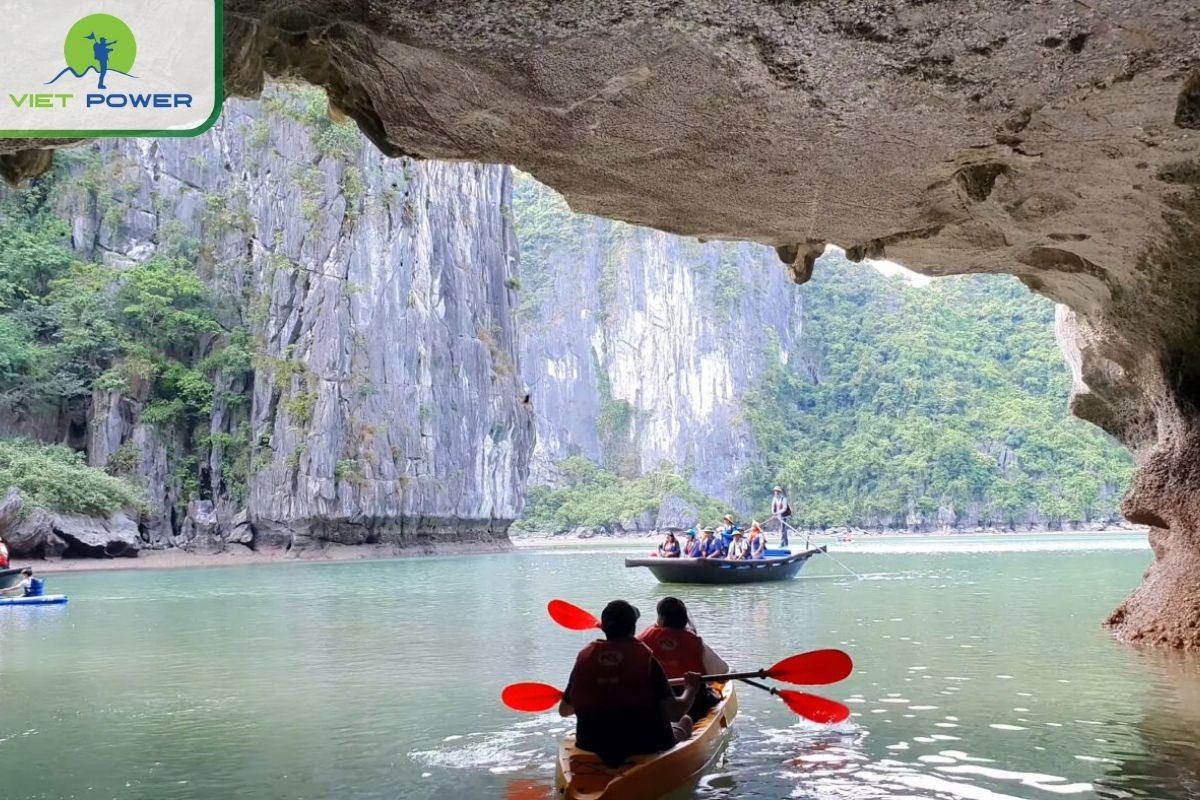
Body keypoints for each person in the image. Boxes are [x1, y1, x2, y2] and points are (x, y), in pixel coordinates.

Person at [559, 600, 703, 766]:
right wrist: (691, 687)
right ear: (632, 629)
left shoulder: (585, 659)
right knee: (684, 720)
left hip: (591, 743)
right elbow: (674, 713)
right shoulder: (645, 660)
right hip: (645, 745)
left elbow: (565, 710)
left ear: (603, 628)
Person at [639, 597, 730, 719]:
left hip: (654, 704)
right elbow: (722, 674)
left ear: (660, 618)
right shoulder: (694, 642)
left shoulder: (641, 642)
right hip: (694, 704)